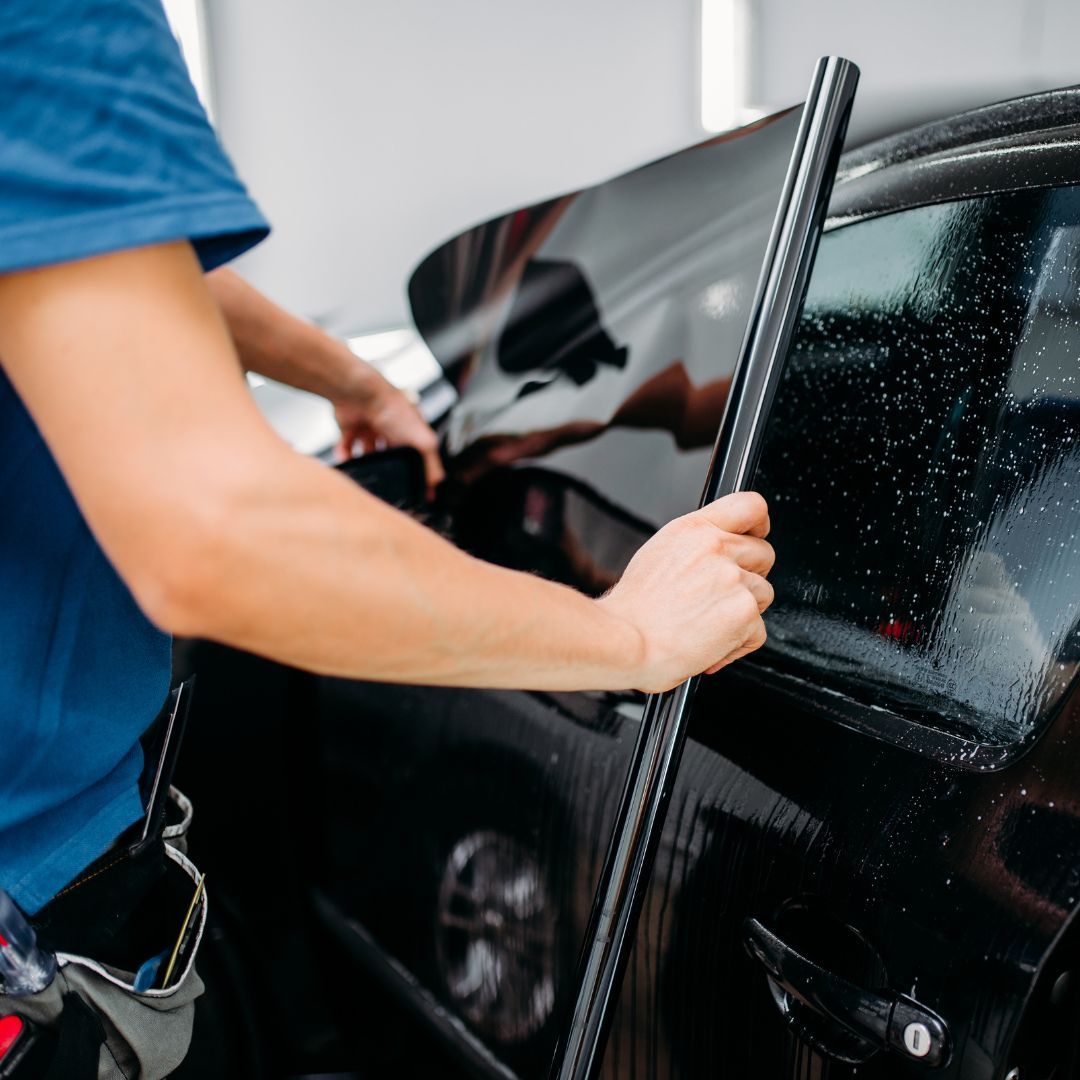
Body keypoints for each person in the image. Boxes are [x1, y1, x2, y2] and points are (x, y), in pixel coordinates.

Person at [0, 0, 773, 1073]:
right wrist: (630, 638)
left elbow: (82, 259)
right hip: (32, 933)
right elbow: (216, 535)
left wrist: (349, 379)